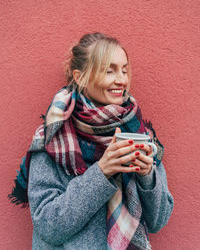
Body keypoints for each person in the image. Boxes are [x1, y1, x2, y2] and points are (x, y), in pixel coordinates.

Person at [10, 32, 174, 250]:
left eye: (124, 70)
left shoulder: (140, 132)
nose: (121, 80)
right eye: (109, 70)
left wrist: (147, 177)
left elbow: (158, 221)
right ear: (79, 77)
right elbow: (48, 226)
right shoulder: (54, 138)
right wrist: (102, 172)